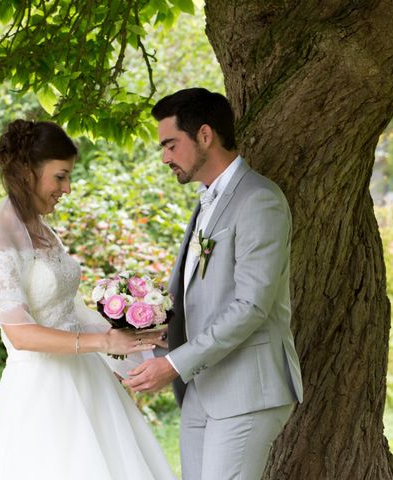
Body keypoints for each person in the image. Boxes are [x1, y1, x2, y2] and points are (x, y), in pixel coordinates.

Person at [0, 119, 176, 480]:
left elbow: (68, 308)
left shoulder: (43, 232)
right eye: (60, 176)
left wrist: (137, 337)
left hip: (89, 381)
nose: (67, 187)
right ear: (28, 172)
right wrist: (104, 341)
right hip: (42, 393)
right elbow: (21, 334)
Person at [123, 88, 304, 480]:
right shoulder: (207, 201)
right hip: (203, 388)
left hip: (246, 391)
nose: (165, 157)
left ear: (204, 135)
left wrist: (174, 364)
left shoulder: (259, 200)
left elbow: (252, 306)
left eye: (170, 145)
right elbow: (200, 297)